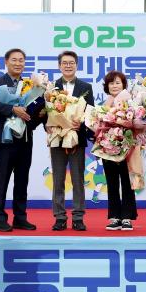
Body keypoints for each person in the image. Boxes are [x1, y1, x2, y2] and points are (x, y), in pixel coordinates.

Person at [0, 48, 43, 232]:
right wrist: (12, 109)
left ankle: (20, 217)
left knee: (22, 179)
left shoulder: (30, 85)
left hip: (25, 138)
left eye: (21, 60)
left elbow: (37, 110)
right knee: (2, 179)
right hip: (5, 139)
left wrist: (35, 116)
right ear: (6, 62)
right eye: (14, 60)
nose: (18, 63)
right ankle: (0, 218)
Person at [48, 51, 94, 232]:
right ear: (59, 66)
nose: (68, 66)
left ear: (76, 65)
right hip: (57, 138)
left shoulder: (86, 87)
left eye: (71, 63)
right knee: (58, 179)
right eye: (64, 63)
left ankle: (78, 217)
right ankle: (59, 217)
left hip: (76, 139)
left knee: (77, 179)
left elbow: (90, 112)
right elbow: (45, 112)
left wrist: (80, 125)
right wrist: (49, 126)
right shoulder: (52, 87)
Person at [100, 71, 138, 231]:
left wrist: (132, 125)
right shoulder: (104, 104)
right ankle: (114, 217)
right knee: (112, 181)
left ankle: (127, 217)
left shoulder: (131, 102)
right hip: (108, 146)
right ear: (107, 86)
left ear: (123, 85)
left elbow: (141, 122)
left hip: (127, 145)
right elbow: (97, 125)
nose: (114, 86)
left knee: (127, 181)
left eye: (118, 83)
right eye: (111, 83)